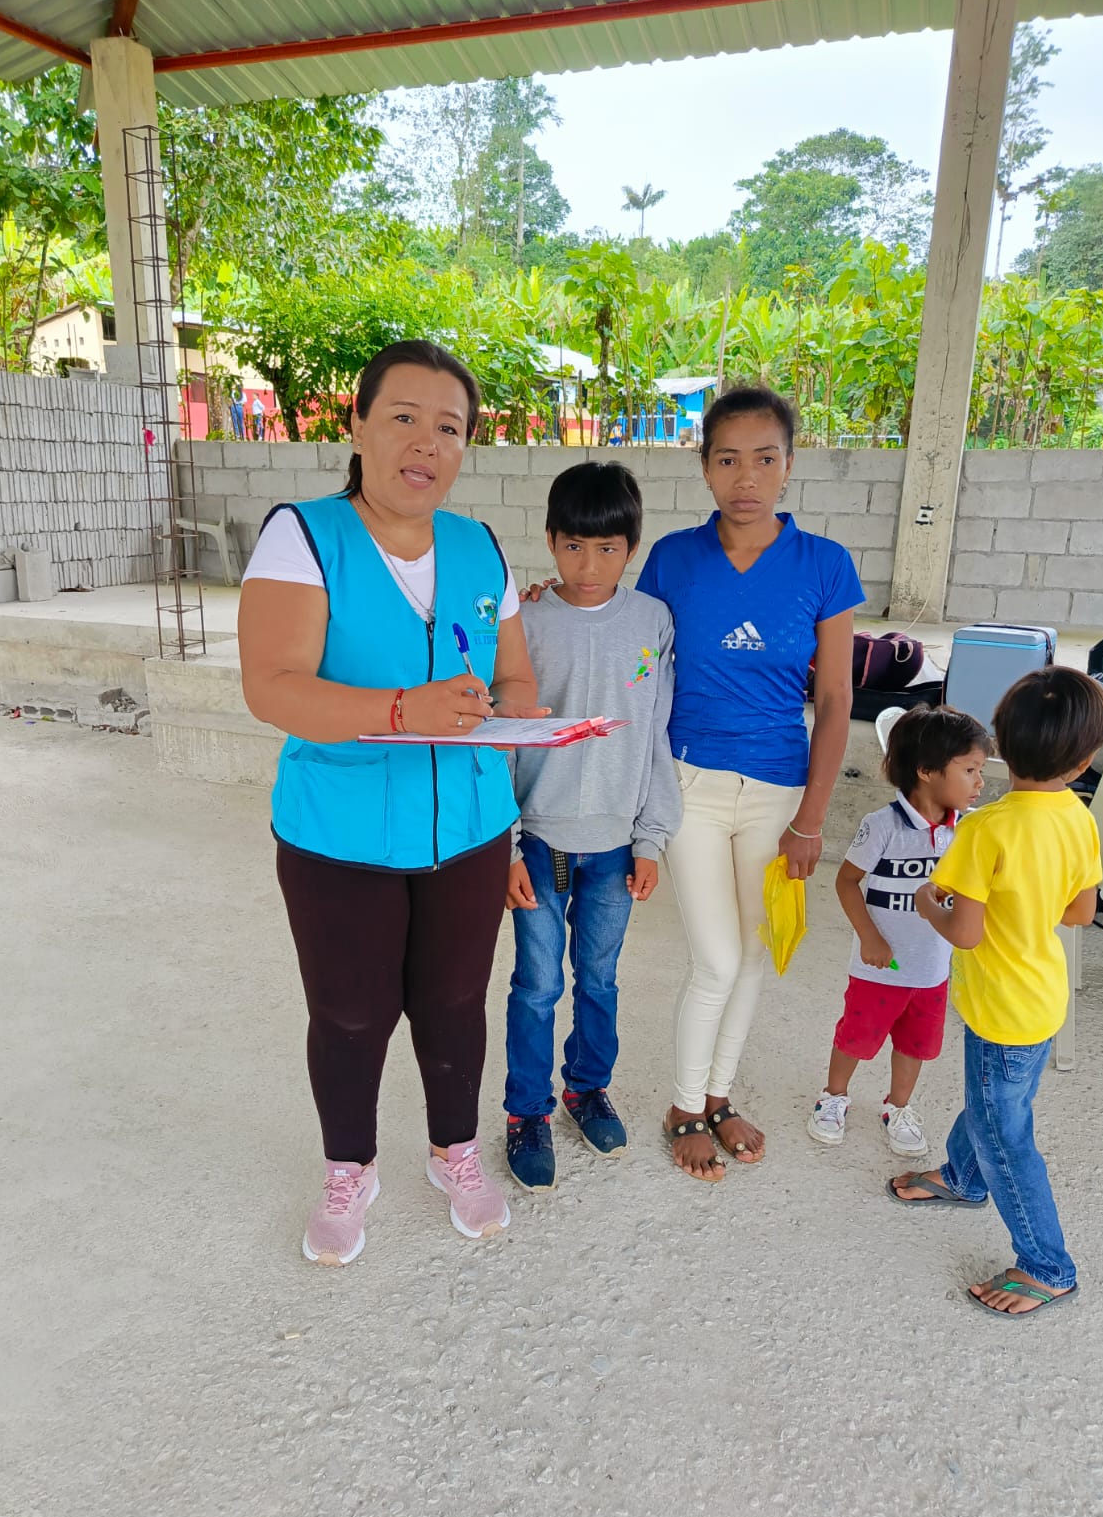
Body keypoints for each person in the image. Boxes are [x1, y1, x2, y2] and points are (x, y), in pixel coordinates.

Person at [238, 339, 547, 1266]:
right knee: (349, 1014)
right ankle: (350, 1168)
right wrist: (404, 710)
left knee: (454, 1001)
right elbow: (273, 687)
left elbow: (516, 677)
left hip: (470, 828)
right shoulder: (305, 536)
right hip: (340, 834)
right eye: (404, 417)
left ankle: (454, 1153)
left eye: (449, 428)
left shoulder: (479, 547)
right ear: (358, 425)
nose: (426, 443)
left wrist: (521, 720)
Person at [635, 386, 863, 1180]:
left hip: (778, 795)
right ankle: (684, 1107)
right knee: (716, 961)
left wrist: (812, 819)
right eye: (728, 459)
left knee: (754, 956)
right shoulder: (673, 559)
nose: (747, 478)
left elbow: (835, 702)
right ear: (705, 468)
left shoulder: (826, 566)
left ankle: (720, 1096)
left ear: (789, 465)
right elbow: (638, 664)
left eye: (765, 459)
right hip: (689, 784)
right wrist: (555, 607)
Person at [892, 667, 1103, 1319]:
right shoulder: (1079, 818)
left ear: (1000, 749)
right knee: (995, 1103)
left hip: (1000, 1008)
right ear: (1083, 761)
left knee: (1005, 1134)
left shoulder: (985, 828)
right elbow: (1080, 912)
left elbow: (963, 930)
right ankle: (963, 1178)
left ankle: (1047, 1265)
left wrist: (927, 900)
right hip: (1042, 998)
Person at [503, 462, 681, 1191]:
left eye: (607, 548)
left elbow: (656, 734)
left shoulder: (652, 622)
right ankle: (527, 1111)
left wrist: (651, 837)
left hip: (615, 844)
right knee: (537, 984)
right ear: (551, 541)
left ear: (631, 547)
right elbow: (499, 737)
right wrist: (506, 846)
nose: (589, 565)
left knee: (599, 979)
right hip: (539, 837)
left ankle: (586, 1088)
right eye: (574, 546)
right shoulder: (524, 622)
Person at [807, 705, 990, 1156]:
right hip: (879, 968)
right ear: (926, 771)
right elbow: (846, 881)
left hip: (932, 970)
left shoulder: (967, 832)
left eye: (980, 770)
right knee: (856, 1035)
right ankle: (833, 1097)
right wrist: (870, 936)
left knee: (916, 1044)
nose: (980, 782)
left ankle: (899, 1107)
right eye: (969, 770)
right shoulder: (882, 825)